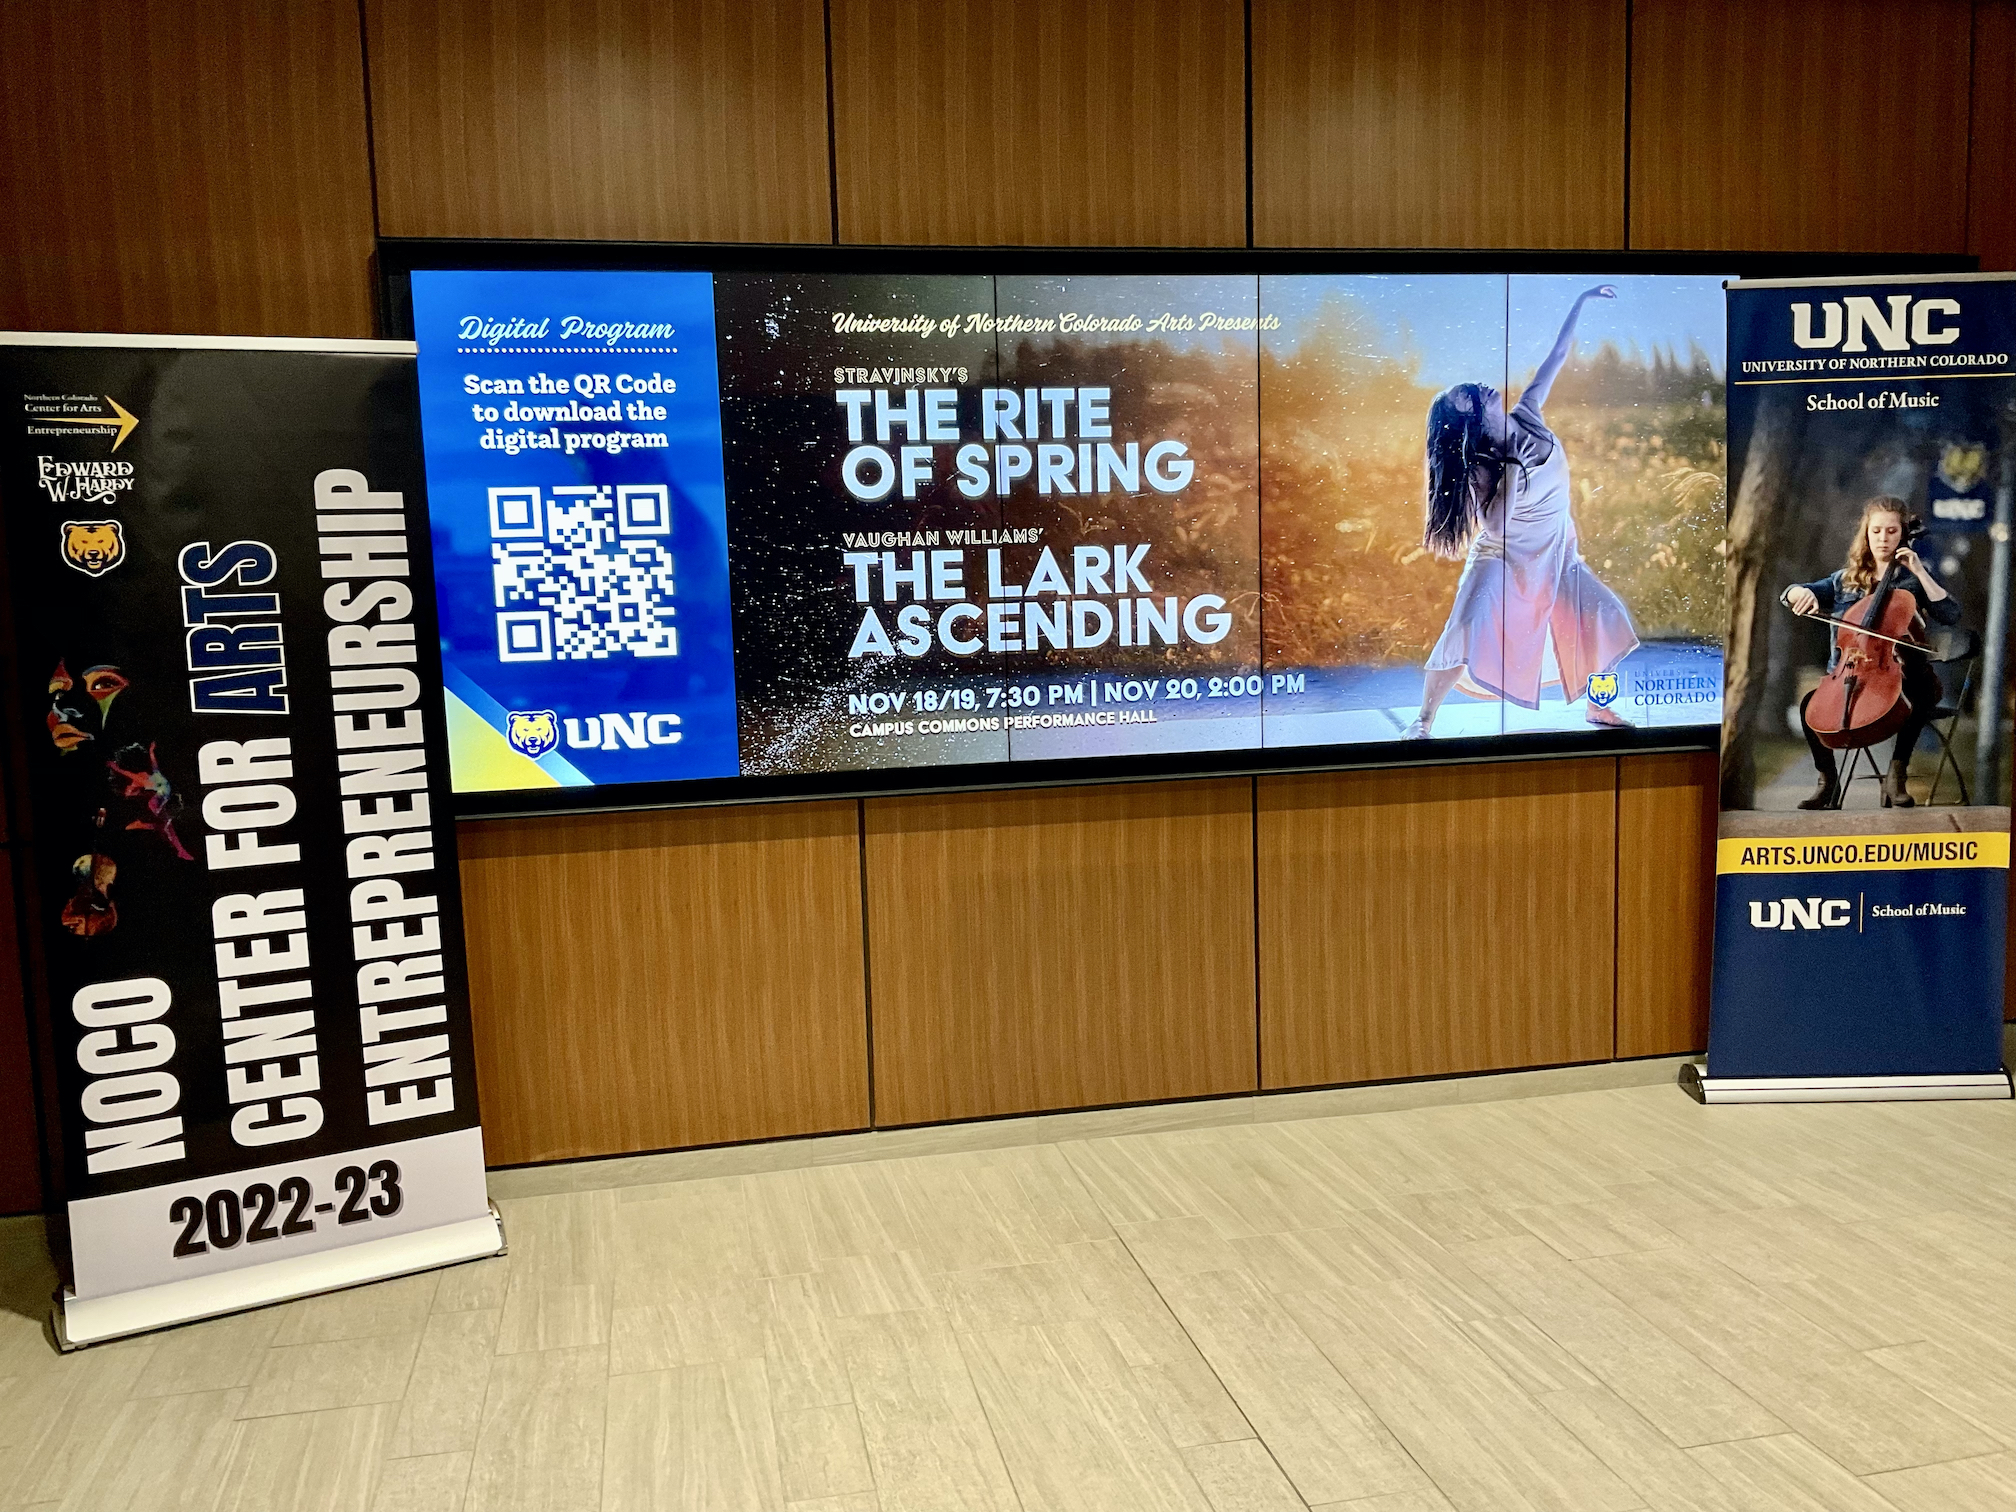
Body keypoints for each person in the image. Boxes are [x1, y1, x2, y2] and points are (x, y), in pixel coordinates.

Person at [1405, 285, 1639, 738]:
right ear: (1469, 422)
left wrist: (1582, 300)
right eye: (1470, 395)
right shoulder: (1481, 467)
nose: (1481, 388)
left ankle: (1600, 707)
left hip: (1556, 553)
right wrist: (1511, 475)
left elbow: (1557, 354)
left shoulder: (1528, 412)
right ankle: (1423, 720)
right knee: (1466, 630)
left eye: (1473, 386)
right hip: (1503, 559)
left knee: (1604, 617)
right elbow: (1496, 526)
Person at [1781, 497, 1961, 809]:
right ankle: (1827, 782)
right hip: (1847, 674)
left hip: (1902, 676)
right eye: (1876, 531)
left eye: (1891, 531)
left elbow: (1950, 614)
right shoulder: (1845, 580)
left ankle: (1896, 776)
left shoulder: (1913, 581)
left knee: (1915, 696)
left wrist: (1919, 569)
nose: (1883, 538)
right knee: (1809, 705)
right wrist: (1803, 593)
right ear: (1866, 533)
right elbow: (1789, 592)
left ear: (1902, 534)